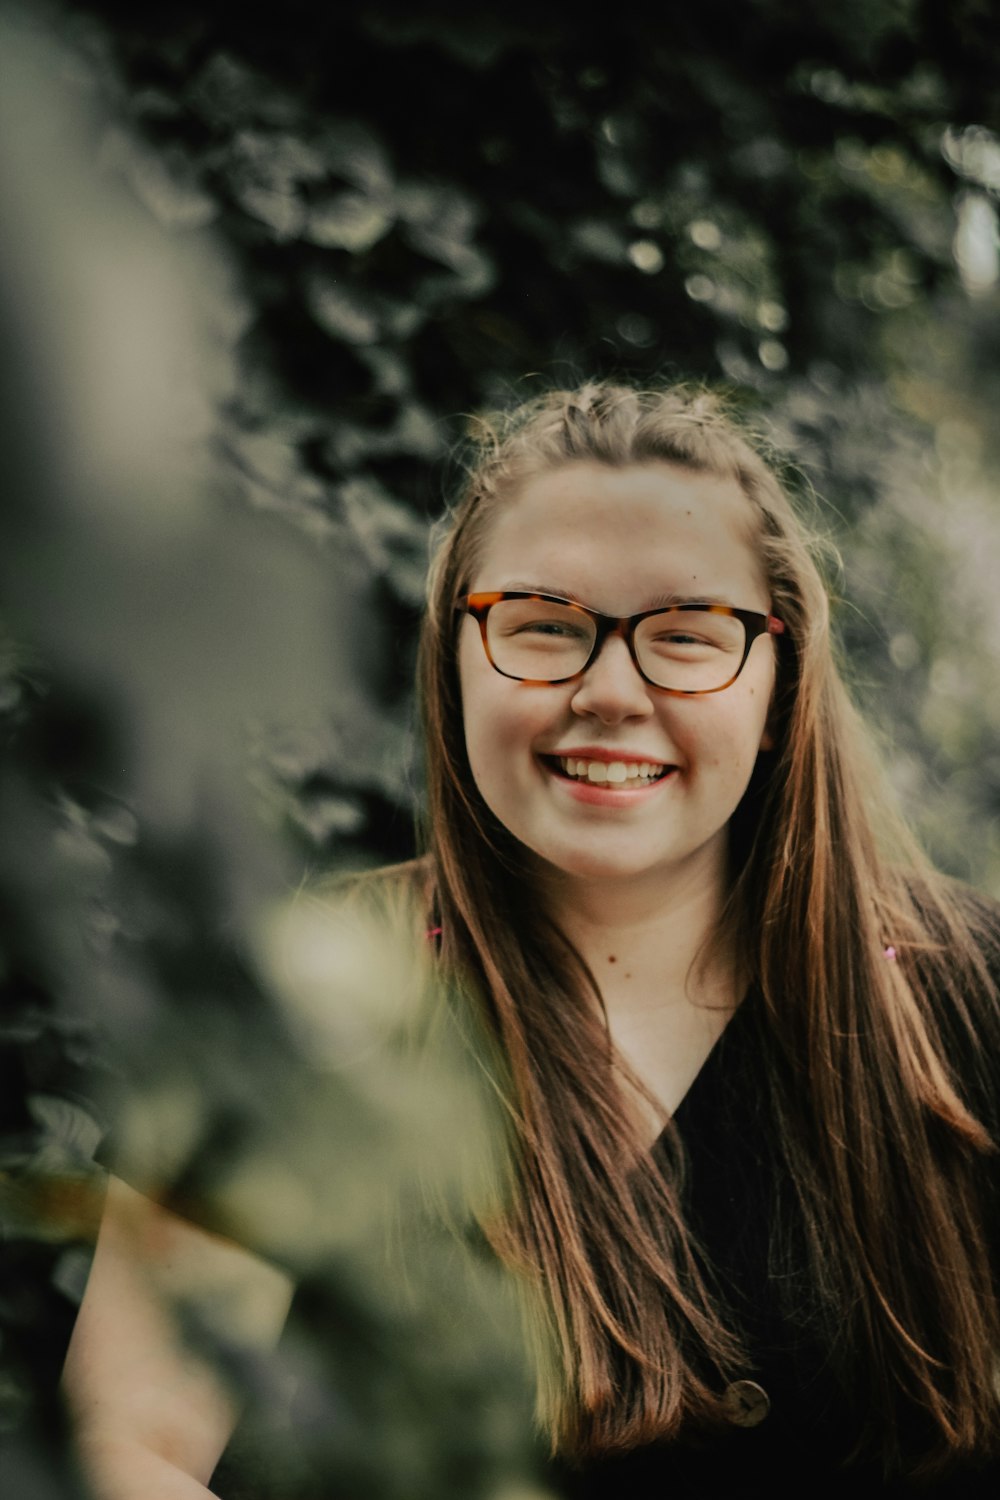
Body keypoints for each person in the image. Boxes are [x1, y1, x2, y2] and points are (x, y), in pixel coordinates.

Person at [64, 381, 1000, 1496]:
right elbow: (135, 1447)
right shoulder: (291, 1004)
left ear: (777, 680)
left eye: (687, 637)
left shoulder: (968, 993)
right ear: (456, 652)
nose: (609, 690)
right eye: (544, 628)